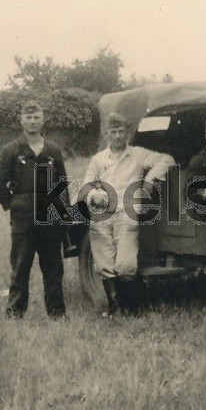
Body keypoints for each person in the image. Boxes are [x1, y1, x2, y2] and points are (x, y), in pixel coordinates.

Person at [81, 112, 174, 317]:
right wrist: (96, 195)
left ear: (127, 133)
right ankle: (116, 308)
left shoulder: (138, 154)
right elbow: (87, 185)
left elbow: (166, 159)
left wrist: (149, 180)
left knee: (126, 264)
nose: (117, 136)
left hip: (126, 213)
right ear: (107, 134)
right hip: (102, 215)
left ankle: (133, 308)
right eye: (113, 132)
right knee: (105, 263)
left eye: (121, 131)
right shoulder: (98, 159)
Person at [0, 100, 70, 320]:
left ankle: (57, 314)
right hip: (24, 219)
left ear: (43, 120)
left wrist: (65, 216)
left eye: (36, 118)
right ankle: (15, 314)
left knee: (53, 268)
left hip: (50, 219)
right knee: (21, 267)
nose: (32, 122)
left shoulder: (53, 150)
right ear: (21, 120)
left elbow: (62, 185)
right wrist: (12, 204)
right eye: (28, 118)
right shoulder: (12, 150)